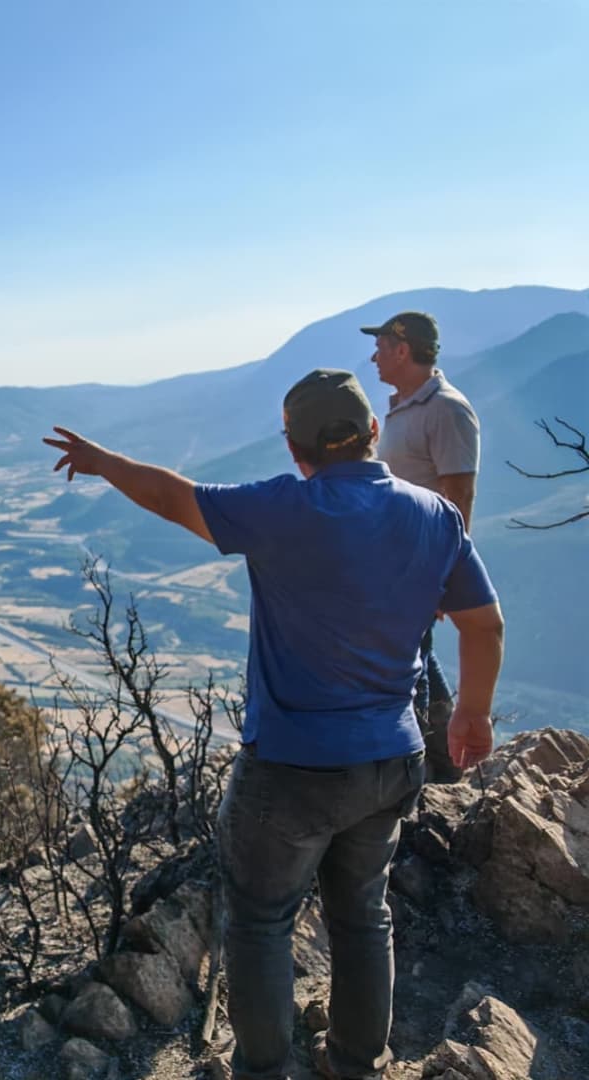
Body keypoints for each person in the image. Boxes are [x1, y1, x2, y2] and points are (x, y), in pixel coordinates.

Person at [43, 369, 504, 1080]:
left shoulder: (283, 508)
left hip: (290, 769)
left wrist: (104, 461)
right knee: (364, 917)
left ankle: (264, 1069)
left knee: (259, 923)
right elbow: (484, 623)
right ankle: (355, 1064)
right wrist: (471, 712)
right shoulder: (436, 516)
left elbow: (173, 496)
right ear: (374, 432)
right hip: (391, 760)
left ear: (294, 447)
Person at [362, 311, 481, 782]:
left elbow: (460, 494)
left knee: (406, 660)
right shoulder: (406, 406)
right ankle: (447, 765)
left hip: (421, 565)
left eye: (381, 346)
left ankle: (415, 772)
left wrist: (447, 575)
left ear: (403, 349)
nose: (374, 355)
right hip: (397, 564)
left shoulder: (446, 409)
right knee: (418, 654)